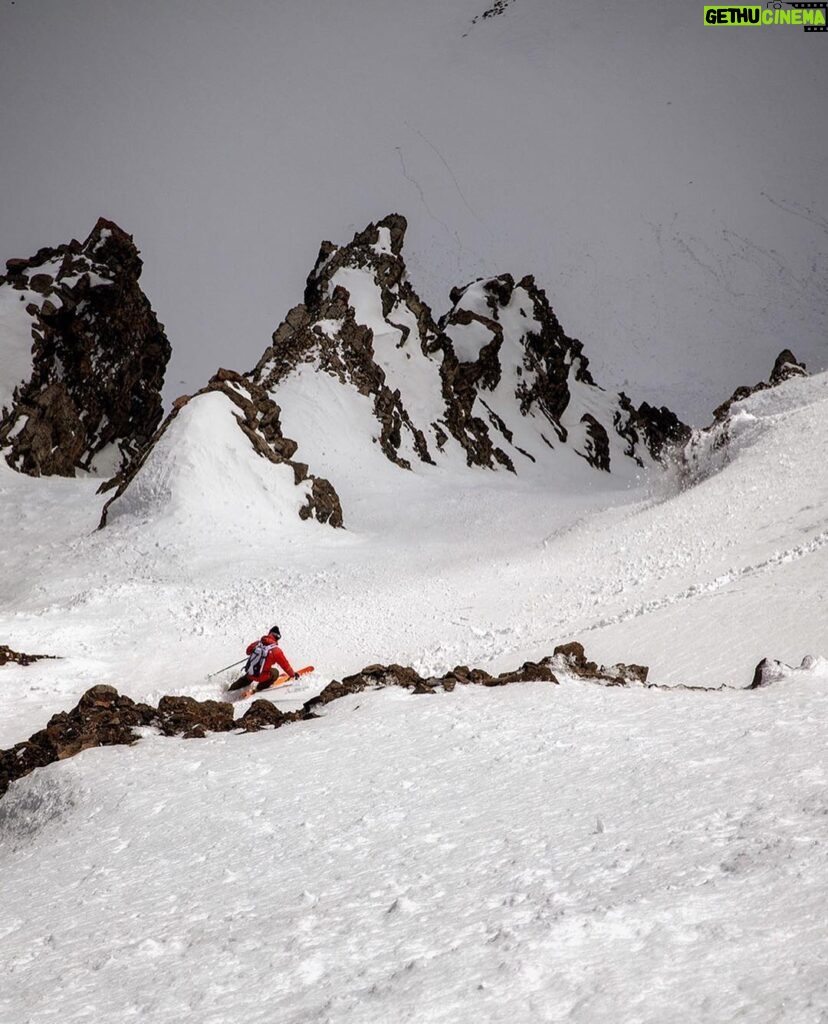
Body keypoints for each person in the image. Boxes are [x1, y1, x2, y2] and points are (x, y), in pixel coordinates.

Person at [227, 625, 299, 695]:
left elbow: (248, 651)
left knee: (248, 676)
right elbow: (285, 665)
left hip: (250, 672)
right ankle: (258, 688)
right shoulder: (276, 651)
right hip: (262, 677)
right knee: (275, 672)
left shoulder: (258, 643)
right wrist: (293, 675)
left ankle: (230, 690)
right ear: (277, 638)